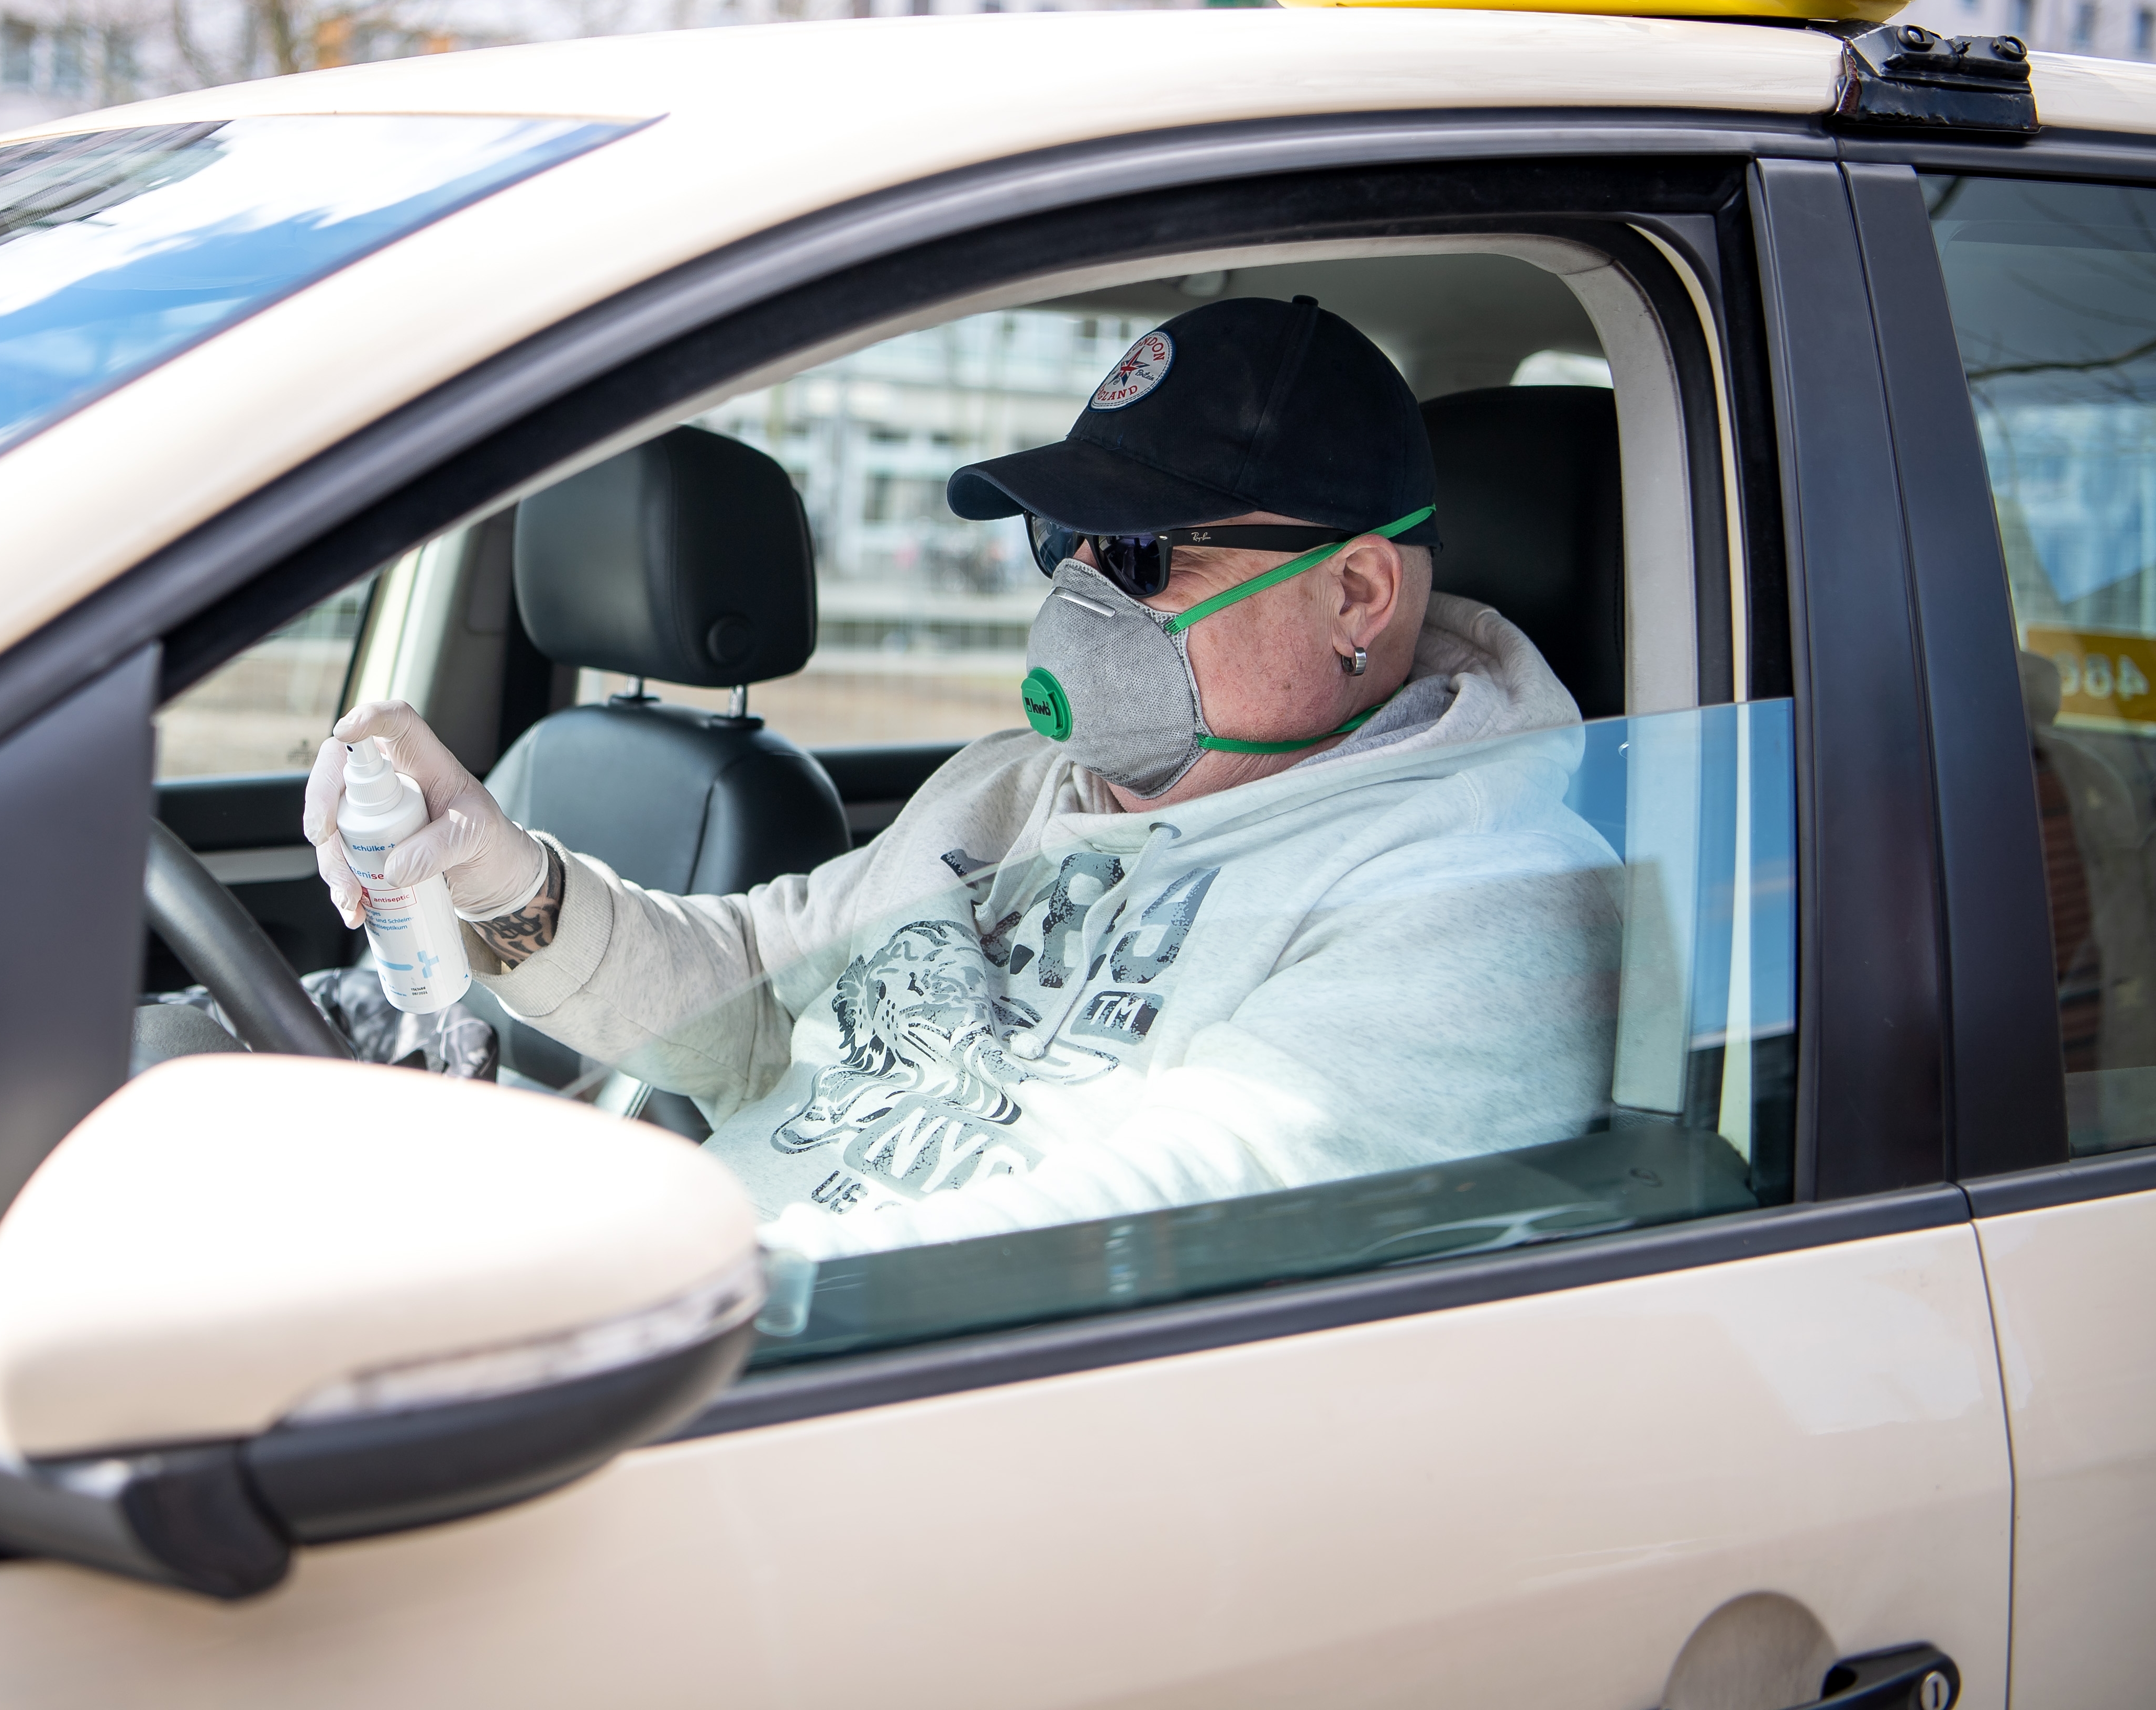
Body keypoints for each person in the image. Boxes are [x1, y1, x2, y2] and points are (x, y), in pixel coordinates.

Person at [304, 296, 1623, 1259]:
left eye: (1145, 553)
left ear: (1356, 590)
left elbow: (1148, 1236)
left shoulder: (1479, 896)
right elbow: (747, 1000)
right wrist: (492, 866)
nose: (1079, 595)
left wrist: (635, 1301)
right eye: (1066, 540)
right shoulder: (1009, 788)